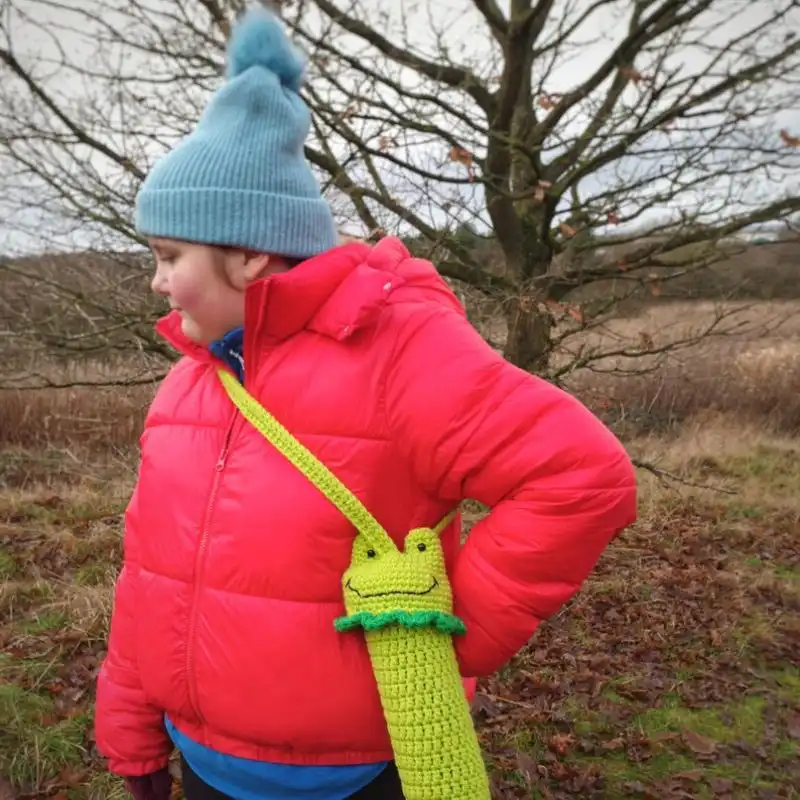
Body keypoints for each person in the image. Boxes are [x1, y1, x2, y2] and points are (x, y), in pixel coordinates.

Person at [94, 6, 637, 800]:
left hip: (355, 774)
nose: (156, 279)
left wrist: (448, 636)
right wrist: (132, 731)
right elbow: (151, 575)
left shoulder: (397, 349)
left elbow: (581, 478)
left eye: (170, 255)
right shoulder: (190, 383)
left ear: (249, 252)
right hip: (201, 761)